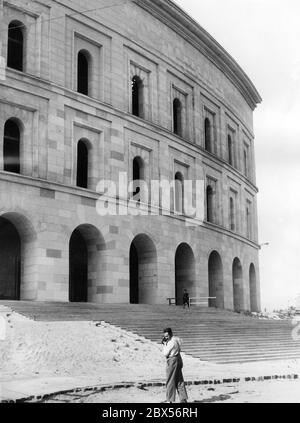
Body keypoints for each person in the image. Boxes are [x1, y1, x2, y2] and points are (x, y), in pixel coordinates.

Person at [162, 328, 188, 403]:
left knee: (170, 380)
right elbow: (181, 341)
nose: (165, 338)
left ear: (170, 334)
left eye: (167, 336)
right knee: (179, 379)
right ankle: (183, 399)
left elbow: (165, 353)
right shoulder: (176, 339)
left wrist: (164, 344)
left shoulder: (170, 343)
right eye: (165, 336)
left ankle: (169, 400)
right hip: (178, 359)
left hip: (172, 360)